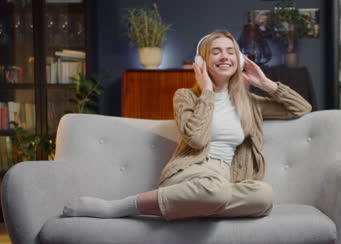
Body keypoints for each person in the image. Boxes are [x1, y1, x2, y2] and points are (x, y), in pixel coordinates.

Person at [62, 31, 312, 221]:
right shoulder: (185, 97)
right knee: (215, 192)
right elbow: (197, 140)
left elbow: (301, 108)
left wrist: (265, 83)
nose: (224, 56)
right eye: (216, 52)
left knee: (263, 196)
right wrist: (207, 93)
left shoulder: (251, 103)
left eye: (230, 51)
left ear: (239, 59)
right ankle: (119, 207)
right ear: (201, 62)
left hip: (227, 180)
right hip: (192, 174)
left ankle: (191, 209)